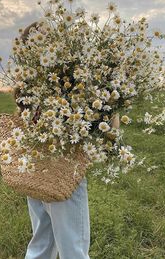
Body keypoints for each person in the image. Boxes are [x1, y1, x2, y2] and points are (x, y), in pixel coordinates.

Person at [17, 21, 120, 259]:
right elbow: (109, 129)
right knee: (73, 246)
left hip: (34, 171)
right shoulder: (70, 83)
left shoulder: (29, 85)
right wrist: (111, 100)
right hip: (65, 173)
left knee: (41, 241)